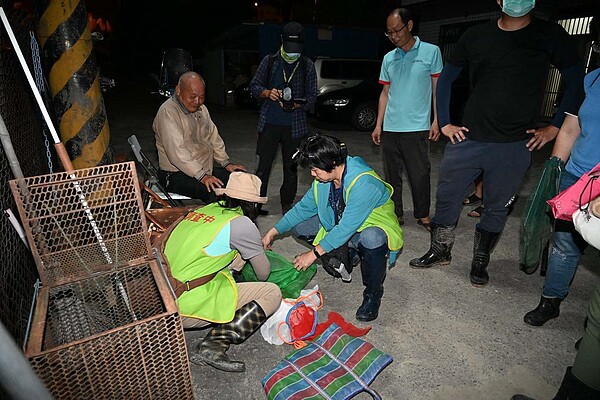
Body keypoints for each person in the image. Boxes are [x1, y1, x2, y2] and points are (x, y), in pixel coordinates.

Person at [409, 0, 584, 289]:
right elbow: (447, 77)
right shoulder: (477, 35)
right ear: (499, 0)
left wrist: (555, 126)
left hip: (514, 145)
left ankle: (480, 260)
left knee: (496, 207)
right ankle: (440, 251)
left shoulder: (549, 35)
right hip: (468, 139)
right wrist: (445, 121)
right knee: (448, 197)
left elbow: (577, 79)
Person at [262, 134, 403, 322]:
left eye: (315, 169)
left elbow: (346, 228)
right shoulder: (323, 181)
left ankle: (373, 293)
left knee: (372, 239)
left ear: (333, 163)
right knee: (300, 226)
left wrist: (313, 254)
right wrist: (273, 232)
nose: (312, 174)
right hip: (342, 225)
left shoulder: (363, 183)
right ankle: (349, 252)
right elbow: (303, 209)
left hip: (370, 226)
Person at [158, 172, 282, 373]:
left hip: (160, 293)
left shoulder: (206, 210)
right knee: (272, 293)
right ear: (253, 204)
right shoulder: (242, 224)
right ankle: (214, 344)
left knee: (234, 254)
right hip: (182, 304)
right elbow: (263, 274)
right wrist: (255, 249)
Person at [522, 13, 600, 327]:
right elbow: (569, 129)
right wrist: (554, 170)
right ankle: (551, 300)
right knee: (564, 243)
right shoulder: (590, 80)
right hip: (577, 176)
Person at [371, 8, 443, 232]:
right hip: (391, 128)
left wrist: (437, 120)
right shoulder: (388, 58)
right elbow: (385, 93)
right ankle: (396, 213)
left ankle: (422, 214)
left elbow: (436, 90)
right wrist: (378, 124)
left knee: (419, 174)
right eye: (389, 33)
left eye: (397, 30)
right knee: (392, 176)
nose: (393, 36)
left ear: (409, 26)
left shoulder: (431, 52)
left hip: (417, 127)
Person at [249, 21, 318, 215]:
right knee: (263, 167)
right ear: (282, 41)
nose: (293, 51)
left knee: (291, 168)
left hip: (295, 127)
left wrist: (299, 103)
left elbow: (313, 97)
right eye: (290, 47)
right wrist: (267, 93)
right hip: (269, 123)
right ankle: (256, 204)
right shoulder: (269, 61)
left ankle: (286, 206)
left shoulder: (307, 66)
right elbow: (254, 86)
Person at [153, 71, 246, 202]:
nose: (197, 101)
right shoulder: (168, 112)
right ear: (178, 90)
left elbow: (213, 136)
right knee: (217, 193)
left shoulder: (201, 109)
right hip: (175, 175)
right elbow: (177, 153)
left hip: (203, 167)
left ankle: (242, 220)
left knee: (241, 180)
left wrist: (225, 163)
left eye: (202, 97)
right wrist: (202, 176)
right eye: (193, 97)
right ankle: (220, 222)